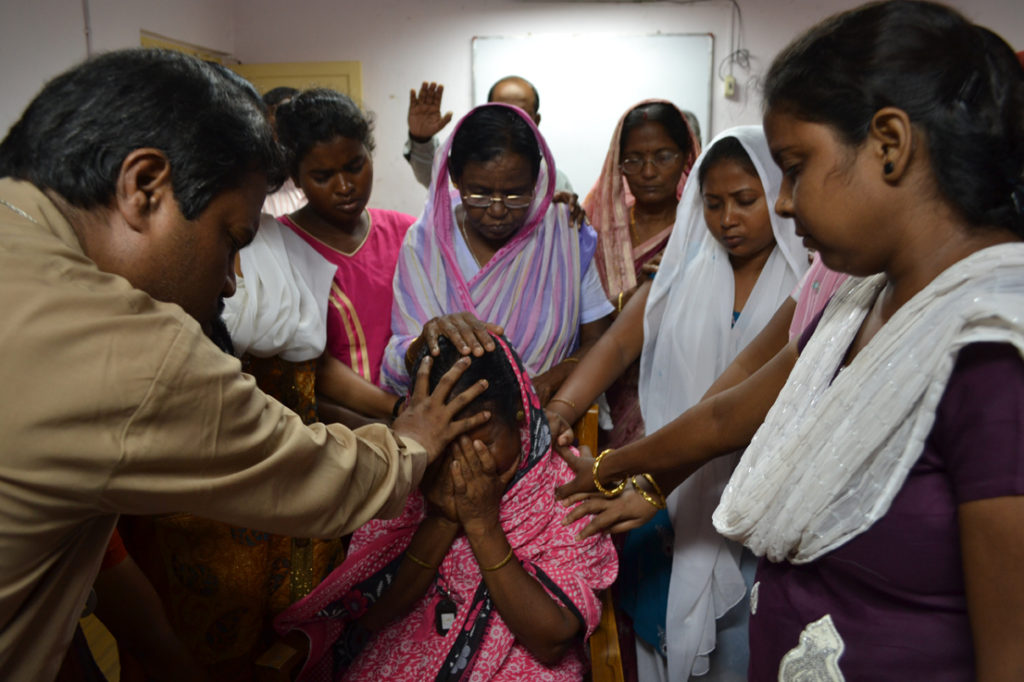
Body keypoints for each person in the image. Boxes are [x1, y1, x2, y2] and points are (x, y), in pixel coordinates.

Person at [561, 1, 1024, 678]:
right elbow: (726, 414)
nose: (782, 203)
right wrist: (607, 471)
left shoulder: (994, 355)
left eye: (795, 167)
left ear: (890, 145)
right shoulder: (859, 300)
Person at [0, 48, 489, 682]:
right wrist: (413, 438)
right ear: (144, 187)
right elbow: (325, 480)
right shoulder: (120, 341)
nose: (233, 284)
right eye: (232, 239)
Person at [549, 127, 808, 680]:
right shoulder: (688, 268)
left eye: (745, 201)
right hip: (671, 487)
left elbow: (733, 408)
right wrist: (560, 411)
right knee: (658, 637)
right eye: (712, 204)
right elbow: (620, 340)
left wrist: (637, 472)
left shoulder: (806, 282)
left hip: (753, 495)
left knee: (741, 643)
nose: (727, 219)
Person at [275, 334, 617, 680]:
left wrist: (482, 525)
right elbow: (372, 616)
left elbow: (551, 640)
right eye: (446, 447)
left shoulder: (565, 483)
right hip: (408, 654)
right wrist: (441, 520)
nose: (462, 465)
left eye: (483, 444)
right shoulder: (410, 469)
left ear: (518, 414)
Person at [381, 103, 613, 405]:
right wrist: (425, 340)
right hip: (448, 424)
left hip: (546, 417)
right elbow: (403, 351)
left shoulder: (564, 231)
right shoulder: (426, 242)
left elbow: (599, 340)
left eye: (516, 194)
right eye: (479, 193)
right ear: (454, 176)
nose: (498, 209)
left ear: (536, 178)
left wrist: (550, 381)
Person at [274, 88, 414, 420]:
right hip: (338, 429)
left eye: (355, 166)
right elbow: (311, 364)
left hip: (420, 417)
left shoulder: (408, 234)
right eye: (322, 176)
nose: (344, 186)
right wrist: (397, 411)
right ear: (295, 176)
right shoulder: (278, 247)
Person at [580, 100, 699, 449]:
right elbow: (572, 314)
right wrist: (626, 305)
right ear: (619, 165)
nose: (648, 171)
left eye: (663, 157)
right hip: (600, 390)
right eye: (634, 160)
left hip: (676, 390)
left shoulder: (702, 231)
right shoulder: (595, 227)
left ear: (685, 158)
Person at [405, 77, 573, 192]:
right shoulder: (468, 166)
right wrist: (421, 139)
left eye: (520, 114)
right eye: (501, 111)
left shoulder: (554, 181)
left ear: (536, 121)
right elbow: (434, 176)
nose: (497, 210)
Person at [261, 86, 307, 217]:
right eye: (273, 131)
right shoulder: (252, 191)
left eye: (287, 132)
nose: (279, 141)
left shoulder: (332, 182)